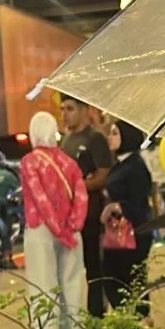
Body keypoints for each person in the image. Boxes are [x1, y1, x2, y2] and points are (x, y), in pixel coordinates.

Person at [20, 109, 89, 329]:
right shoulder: (69, 163)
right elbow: (81, 197)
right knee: (73, 287)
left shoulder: (30, 162)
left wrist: (57, 228)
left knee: (43, 287)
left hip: (41, 230)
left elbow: (39, 198)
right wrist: (72, 228)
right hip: (72, 233)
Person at [59, 94, 113, 316]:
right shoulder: (65, 141)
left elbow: (104, 175)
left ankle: (96, 317)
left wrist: (78, 185)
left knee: (94, 269)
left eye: (70, 108)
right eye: (62, 109)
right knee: (69, 271)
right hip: (68, 216)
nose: (65, 114)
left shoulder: (95, 139)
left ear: (84, 110)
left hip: (91, 215)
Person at [101, 117, 155, 310]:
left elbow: (139, 201)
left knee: (132, 282)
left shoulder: (136, 165)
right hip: (117, 233)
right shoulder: (120, 164)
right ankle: (127, 319)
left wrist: (118, 207)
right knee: (113, 279)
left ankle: (140, 320)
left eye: (115, 133)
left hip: (135, 233)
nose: (110, 137)